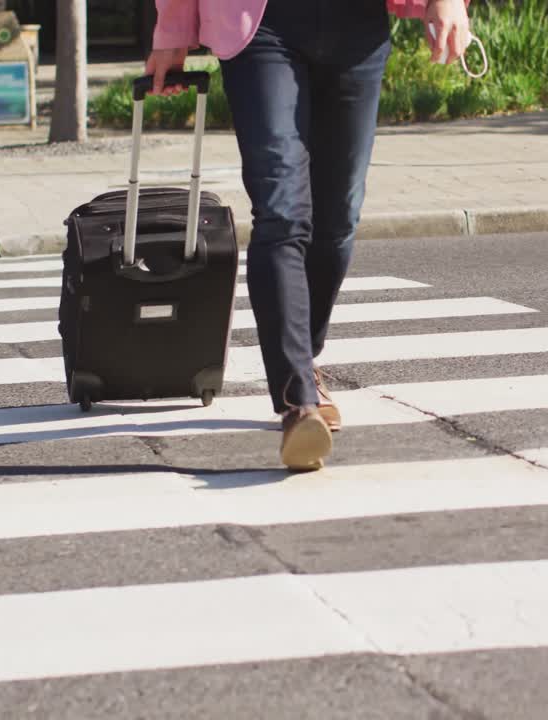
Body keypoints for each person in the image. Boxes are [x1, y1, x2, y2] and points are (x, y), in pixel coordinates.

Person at [146, 0, 473, 471]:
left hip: (356, 27)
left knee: (338, 217)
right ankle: (297, 400)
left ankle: (305, 355)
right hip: (260, 25)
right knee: (281, 212)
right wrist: (174, 27)